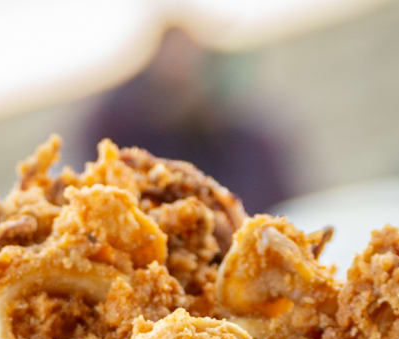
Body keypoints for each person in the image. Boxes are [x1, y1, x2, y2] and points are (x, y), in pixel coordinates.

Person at [79, 25, 294, 213]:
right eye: (173, 56)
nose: (180, 64)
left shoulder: (241, 131)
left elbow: (271, 191)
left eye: (187, 55)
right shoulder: (123, 120)